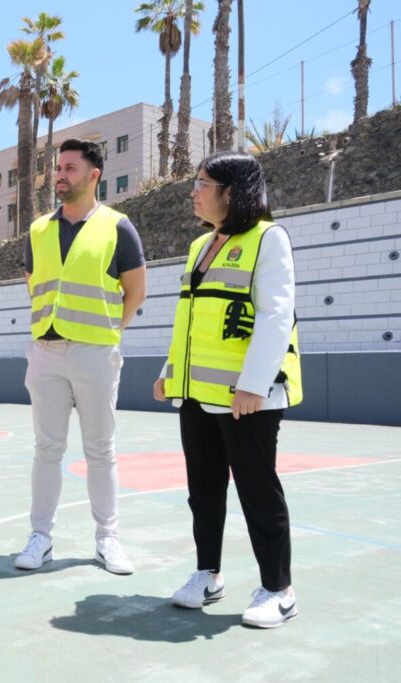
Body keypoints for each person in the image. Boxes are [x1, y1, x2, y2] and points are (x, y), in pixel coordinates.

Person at [154, 150, 303, 629]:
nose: (194, 192)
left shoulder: (268, 239)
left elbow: (276, 317)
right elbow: (192, 320)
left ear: (231, 192)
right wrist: (169, 369)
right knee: (203, 490)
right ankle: (208, 573)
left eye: (202, 184)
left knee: (258, 490)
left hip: (248, 398)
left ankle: (279, 588)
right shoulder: (201, 246)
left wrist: (253, 385)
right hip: (197, 393)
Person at [15, 138, 146, 575]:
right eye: (58, 168)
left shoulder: (118, 226)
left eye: (70, 168)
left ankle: (107, 538)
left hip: (95, 353)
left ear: (94, 176)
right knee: (46, 448)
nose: (60, 175)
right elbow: (35, 284)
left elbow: (137, 291)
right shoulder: (37, 230)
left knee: (100, 450)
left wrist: (109, 334)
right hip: (46, 352)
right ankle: (41, 538)